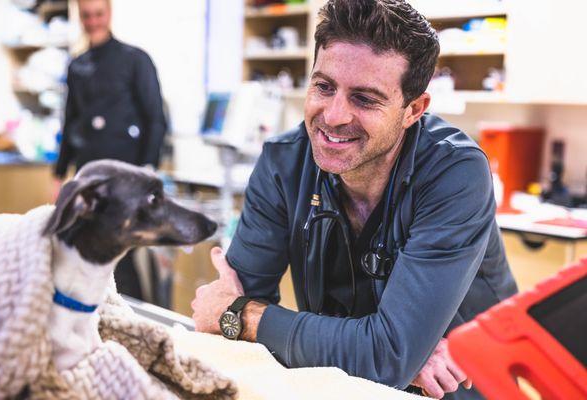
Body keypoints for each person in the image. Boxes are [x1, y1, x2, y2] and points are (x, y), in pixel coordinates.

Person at [191, 1, 518, 398]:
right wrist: (391, 353)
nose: (332, 116)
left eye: (364, 99)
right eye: (323, 87)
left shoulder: (455, 173)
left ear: (413, 109)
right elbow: (225, 321)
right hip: (339, 386)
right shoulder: (284, 163)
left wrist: (244, 316)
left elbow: (384, 358)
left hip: (457, 391)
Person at [54, 0, 167, 299]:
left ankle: (134, 325)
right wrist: (59, 175)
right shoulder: (77, 66)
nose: (93, 21)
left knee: (122, 254)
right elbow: (70, 123)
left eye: (98, 14)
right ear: (80, 17)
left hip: (128, 177)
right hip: (89, 178)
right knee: (88, 253)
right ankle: (98, 322)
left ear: (109, 13)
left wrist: (147, 171)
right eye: (87, 16)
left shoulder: (135, 60)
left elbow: (156, 119)